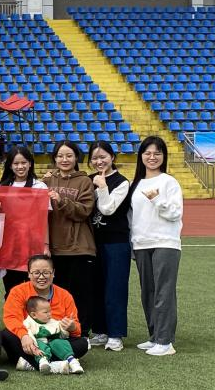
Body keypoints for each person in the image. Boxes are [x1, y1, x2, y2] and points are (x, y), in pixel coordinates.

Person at [128, 136, 183, 357]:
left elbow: (175, 213)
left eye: (157, 153)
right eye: (148, 153)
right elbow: (132, 218)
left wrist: (157, 200)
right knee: (148, 292)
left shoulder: (169, 182)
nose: (152, 157)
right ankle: (154, 336)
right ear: (141, 156)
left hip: (165, 243)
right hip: (142, 243)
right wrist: (133, 243)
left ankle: (165, 341)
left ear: (163, 156)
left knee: (163, 292)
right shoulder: (136, 184)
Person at [40, 141, 96, 335]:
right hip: (54, 248)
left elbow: (85, 211)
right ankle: (58, 329)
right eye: (60, 156)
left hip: (78, 247)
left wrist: (62, 200)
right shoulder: (47, 181)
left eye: (69, 155)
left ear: (76, 158)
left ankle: (82, 331)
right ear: (54, 158)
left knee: (80, 293)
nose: (64, 159)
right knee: (56, 293)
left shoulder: (84, 181)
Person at [1, 254, 88, 374]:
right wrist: (24, 336)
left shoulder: (64, 295)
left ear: (53, 273)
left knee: (82, 343)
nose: (41, 277)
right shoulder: (18, 292)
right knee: (6, 335)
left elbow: (76, 330)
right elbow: (11, 318)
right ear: (29, 274)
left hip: (56, 341)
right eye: (36, 273)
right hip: (30, 339)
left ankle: (32, 363)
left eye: (46, 273)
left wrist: (72, 327)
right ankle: (57, 364)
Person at [86, 140, 132, 352]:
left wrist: (102, 187)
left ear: (112, 157)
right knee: (95, 287)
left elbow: (107, 209)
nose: (99, 161)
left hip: (116, 242)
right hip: (92, 242)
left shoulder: (122, 182)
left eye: (103, 157)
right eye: (95, 158)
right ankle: (100, 330)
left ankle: (115, 334)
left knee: (115, 288)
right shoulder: (88, 180)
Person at [0, 145, 48, 295]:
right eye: (16, 163)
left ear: (30, 163)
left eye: (24, 162)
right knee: (12, 290)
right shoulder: (4, 187)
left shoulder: (39, 186)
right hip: (10, 247)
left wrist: (46, 245)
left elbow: (44, 219)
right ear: (10, 166)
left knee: (35, 290)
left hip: (33, 245)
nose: (20, 167)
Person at [23, 296, 84, 374]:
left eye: (50, 311)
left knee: (59, 342)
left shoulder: (53, 322)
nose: (49, 314)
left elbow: (63, 336)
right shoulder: (28, 323)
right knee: (39, 344)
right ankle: (43, 363)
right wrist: (35, 348)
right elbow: (29, 336)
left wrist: (64, 329)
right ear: (34, 315)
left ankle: (72, 361)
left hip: (53, 345)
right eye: (45, 312)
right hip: (38, 348)